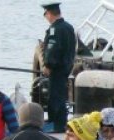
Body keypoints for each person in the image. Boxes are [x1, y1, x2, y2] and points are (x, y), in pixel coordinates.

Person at [41, 2, 76, 133]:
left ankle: (56, 124)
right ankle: (61, 123)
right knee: (61, 95)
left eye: (45, 14)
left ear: (49, 13)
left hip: (57, 69)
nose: (46, 18)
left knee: (54, 97)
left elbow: (52, 49)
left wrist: (48, 65)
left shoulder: (55, 29)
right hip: (66, 68)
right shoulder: (69, 27)